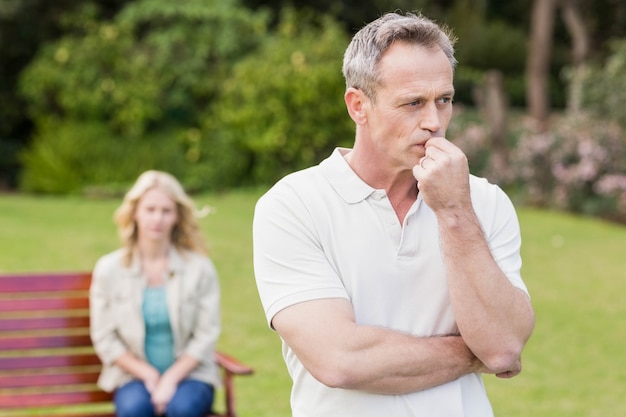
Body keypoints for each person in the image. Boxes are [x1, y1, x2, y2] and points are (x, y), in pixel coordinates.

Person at [253, 12, 535, 417]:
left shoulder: (484, 203)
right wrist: (474, 353)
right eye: (413, 103)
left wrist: (454, 212)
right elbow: (339, 360)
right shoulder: (292, 206)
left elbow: (504, 346)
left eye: (445, 100)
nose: (434, 122)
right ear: (358, 106)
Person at [90, 170, 221, 417]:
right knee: (134, 409)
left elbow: (206, 334)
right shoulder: (109, 269)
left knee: (182, 409)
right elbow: (105, 337)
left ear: (177, 217)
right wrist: (149, 375)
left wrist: (170, 379)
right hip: (132, 376)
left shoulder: (200, 268)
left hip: (191, 376)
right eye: (150, 209)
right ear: (135, 213)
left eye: (166, 210)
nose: (157, 218)